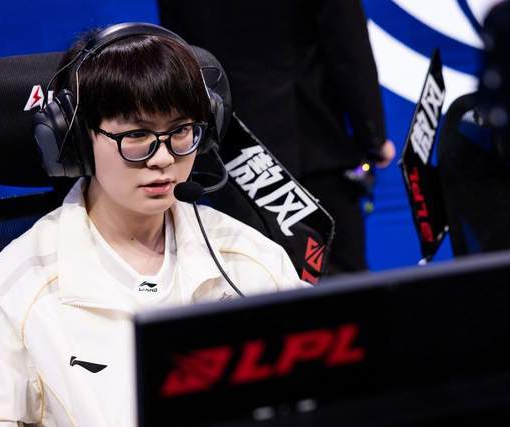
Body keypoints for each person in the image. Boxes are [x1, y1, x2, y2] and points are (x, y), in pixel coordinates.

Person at [0, 24, 304, 427]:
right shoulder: (17, 285)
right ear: (78, 139)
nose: (163, 159)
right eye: (137, 135)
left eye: (180, 131)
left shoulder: (251, 261)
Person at [158, 0, 396, 274]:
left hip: (229, 159)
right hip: (313, 147)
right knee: (337, 282)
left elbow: (184, 58)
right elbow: (349, 50)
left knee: (247, 276)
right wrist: (373, 138)